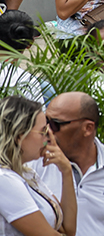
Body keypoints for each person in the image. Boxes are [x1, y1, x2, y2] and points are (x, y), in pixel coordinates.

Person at [34, 92, 104, 236]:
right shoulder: (34, 161)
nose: (48, 130)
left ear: (88, 128)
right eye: (46, 121)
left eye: (56, 124)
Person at [0, 95, 77, 236]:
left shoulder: (27, 174)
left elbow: (67, 229)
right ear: (19, 136)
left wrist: (66, 171)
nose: (48, 139)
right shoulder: (4, 179)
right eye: (43, 132)